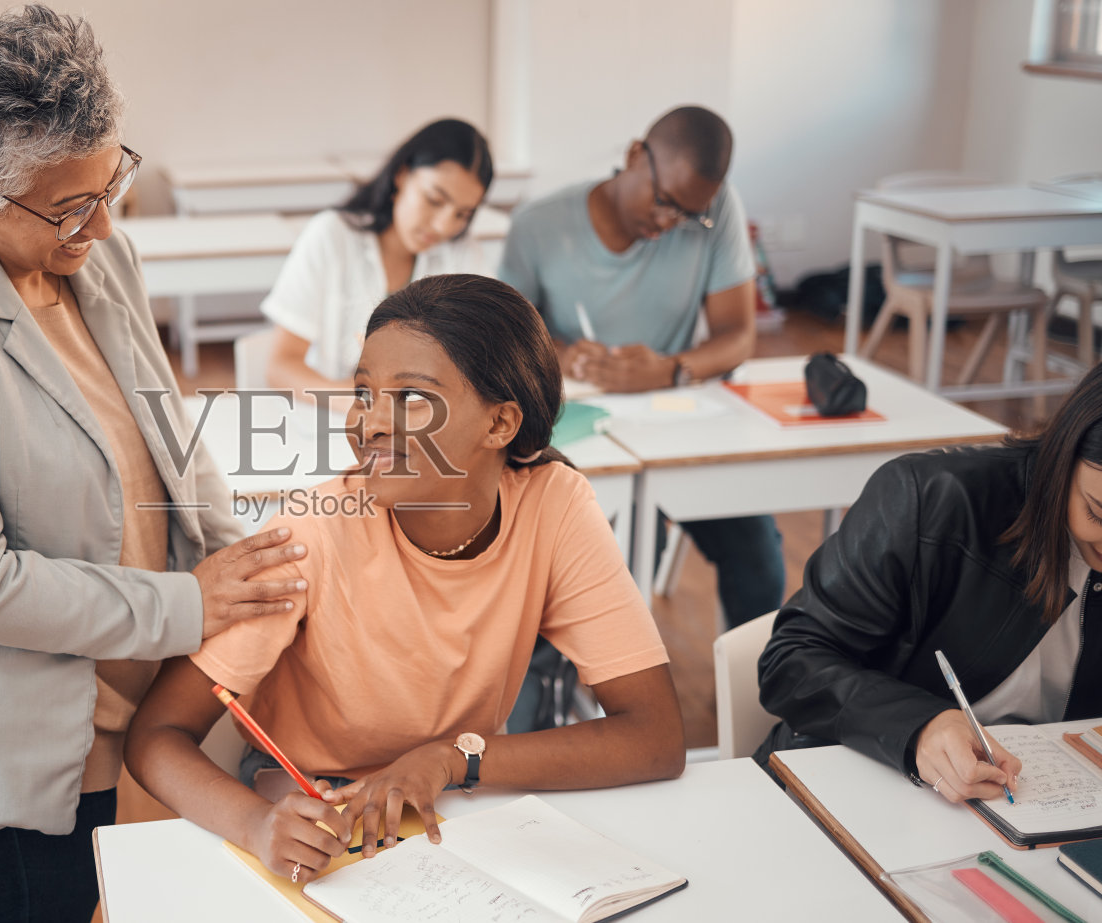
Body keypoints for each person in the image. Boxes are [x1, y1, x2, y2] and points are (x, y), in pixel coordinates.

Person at [0, 7, 304, 922]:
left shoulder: (99, 257)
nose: (101, 224)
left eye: (109, 184)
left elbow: (171, 437)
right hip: (0, 736)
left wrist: (247, 561)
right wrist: (193, 601)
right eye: (67, 207)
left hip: (117, 699)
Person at [126, 274, 684, 886]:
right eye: (363, 392)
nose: (369, 423)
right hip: (313, 806)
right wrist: (257, 824)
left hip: (456, 796)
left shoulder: (556, 504)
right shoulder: (311, 535)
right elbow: (156, 735)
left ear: (500, 424)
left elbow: (655, 736)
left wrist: (450, 760)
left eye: (412, 398)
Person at [757, 360, 1102, 803]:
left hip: (1045, 804)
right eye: (1097, 513)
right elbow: (791, 662)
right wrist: (919, 726)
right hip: (862, 782)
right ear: (1063, 453)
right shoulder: (931, 498)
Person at [499, 105, 783, 634]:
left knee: (759, 561)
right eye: (664, 202)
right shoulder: (538, 226)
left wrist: (669, 369)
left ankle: (764, 687)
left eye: (688, 215)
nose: (670, 223)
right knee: (624, 558)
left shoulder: (716, 206)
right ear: (635, 156)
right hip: (585, 432)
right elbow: (506, 336)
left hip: (678, 425)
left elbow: (738, 336)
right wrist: (561, 354)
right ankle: (581, 680)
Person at [263, 119, 492, 407]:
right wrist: (354, 401)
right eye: (434, 200)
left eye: (462, 214)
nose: (443, 226)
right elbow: (281, 366)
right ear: (402, 174)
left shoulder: (463, 254)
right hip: (334, 418)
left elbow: (487, 355)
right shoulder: (331, 236)